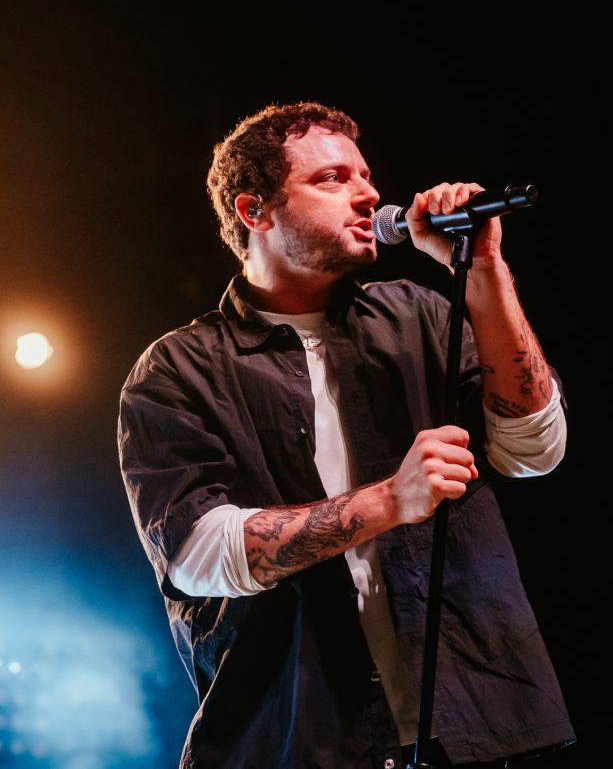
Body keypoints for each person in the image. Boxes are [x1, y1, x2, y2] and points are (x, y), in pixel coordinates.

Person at [118, 102, 576, 768]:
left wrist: (482, 269)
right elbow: (197, 555)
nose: (368, 194)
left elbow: (536, 449)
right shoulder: (179, 369)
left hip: (473, 732)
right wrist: (390, 500)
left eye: (365, 175)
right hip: (298, 743)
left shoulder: (421, 315)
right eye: (332, 178)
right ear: (255, 211)